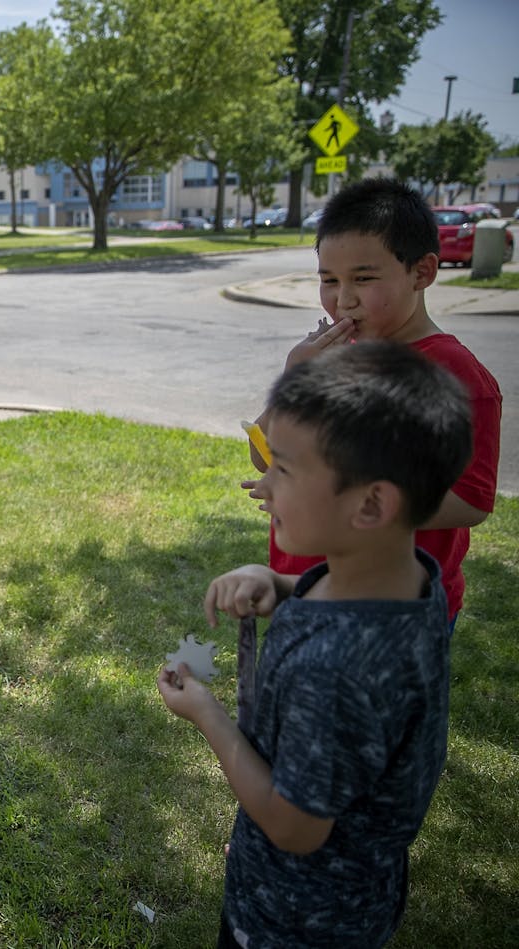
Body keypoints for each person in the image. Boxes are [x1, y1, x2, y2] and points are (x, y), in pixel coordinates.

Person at [161, 342, 472, 948]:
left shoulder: (338, 672)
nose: (266, 485)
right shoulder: (407, 582)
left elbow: (294, 828)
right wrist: (277, 582)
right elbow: (332, 598)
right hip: (358, 897)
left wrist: (207, 714)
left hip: (297, 920)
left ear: (372, 503)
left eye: (285, 469)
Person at [244, 177, 502, 626]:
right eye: (329, 281)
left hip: (396, 607)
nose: (343, 301)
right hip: (304, 590)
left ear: (422, 272)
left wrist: (338, 502)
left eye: (363, 279)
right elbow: (264, 458)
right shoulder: (329, 360)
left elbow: (471, 500)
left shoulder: (455, 375)